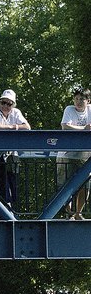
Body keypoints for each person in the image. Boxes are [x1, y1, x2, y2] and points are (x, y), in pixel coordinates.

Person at [0, 89, 31, 211]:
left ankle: (6, 211)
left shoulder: (16, 112)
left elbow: (27, 127)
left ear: (13, 105)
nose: (5, 106)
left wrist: (10, 127)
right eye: (3, 102)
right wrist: (13, 127)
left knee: (10, 183)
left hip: (8, 154)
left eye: (9, 104)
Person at [57, 86, 91, 220]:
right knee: (65, 185)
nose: (78, 102)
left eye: (81, 99)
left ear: (88, 100)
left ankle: (78, 213)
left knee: (85, 185)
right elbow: (65, 126)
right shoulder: (69, 109)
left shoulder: (90, 110)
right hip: (67, 154)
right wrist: (84, 128)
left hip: (86, 156)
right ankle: (69, 213)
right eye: (76, 99)